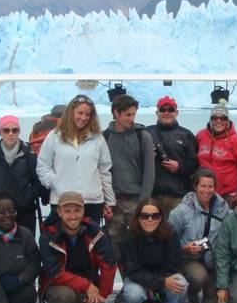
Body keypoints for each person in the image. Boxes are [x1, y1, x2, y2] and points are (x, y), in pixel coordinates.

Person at [40, 191, 116, 303]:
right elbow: (55, 273)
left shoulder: (95, 232)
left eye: (77, 210)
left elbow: (108, 263)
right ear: (59, 212)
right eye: (67, 211)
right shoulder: (47, 236)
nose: (73, 216)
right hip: (59, 285)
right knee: (63, 296)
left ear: (83, 211)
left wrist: (102, 293)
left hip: (87, 287)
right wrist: (87, 285)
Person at [36, 94, 115, 223]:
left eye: (87, 114)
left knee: (91, 242)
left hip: (92, 202)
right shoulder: (54, 136)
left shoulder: (97, 138)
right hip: (63, 201)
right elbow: (43, 166)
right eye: (80, 113)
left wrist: (109, 200)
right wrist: (56, 183)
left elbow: (104, 171)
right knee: (63, 242)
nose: (83, 118)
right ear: (71, 112)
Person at [168, 168, 229, 303]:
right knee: (199, 277)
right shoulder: (180, 212)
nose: (207, 190)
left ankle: (211, 294)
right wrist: (184, 249)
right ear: (195, 186)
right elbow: (168, 242)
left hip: (214, 261)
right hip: (190, 260)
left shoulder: (224, 209)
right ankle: (192, 296)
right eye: (203, 186)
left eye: (210, 186)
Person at [102, 94, 155, 262]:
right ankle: (123, 284)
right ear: (116, 113)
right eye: (128, 114)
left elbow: (149, 172)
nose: (131, 119)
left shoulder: (143, 136)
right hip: (113, 201)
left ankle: (137, 285)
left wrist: (143, 203)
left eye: (133, 114)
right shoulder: (104, 138)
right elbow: (99, 171)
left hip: (136, 200)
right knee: (114, 247)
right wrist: (105, 201)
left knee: (138, 245)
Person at [121, 198, 189, 303]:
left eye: (155, 216)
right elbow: (132, 269)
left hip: (163, 276)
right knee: (133, 294)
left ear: (161, 218)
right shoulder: (130, 236)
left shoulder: (171, 234)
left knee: (181, 284)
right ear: (138, 218)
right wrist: (160, 282)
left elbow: (174, 265)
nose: (150, 219)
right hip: (138, 278)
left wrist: (160, 282)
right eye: (145, 216)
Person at [0, 115, 44, 235]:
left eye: (14, 130)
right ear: (0, 132)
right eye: (6, 130)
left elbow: (38, 180)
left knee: (25, 247)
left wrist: (28, 197)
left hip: (25, 212)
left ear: (19, 132)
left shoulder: (29, 154)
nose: (10, 134)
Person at [196, 102, 237, 205]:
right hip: (205, 193)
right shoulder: (201, 136)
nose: (219, 121)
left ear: (228, 121)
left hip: (229, 196)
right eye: (215, 118)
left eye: (223, 118)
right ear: (210, 120)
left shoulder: (236, 140)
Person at [146, 96, 199, 216]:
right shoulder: (146, 133)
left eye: (170, 109)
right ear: (157, 112)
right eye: (163, 109)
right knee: (151, 231)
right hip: (152, 196)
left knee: (176, 232)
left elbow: (195, 165)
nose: (166, 112)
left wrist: (179, 166)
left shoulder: (186, 135)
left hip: (178, 196)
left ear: (177, 112)